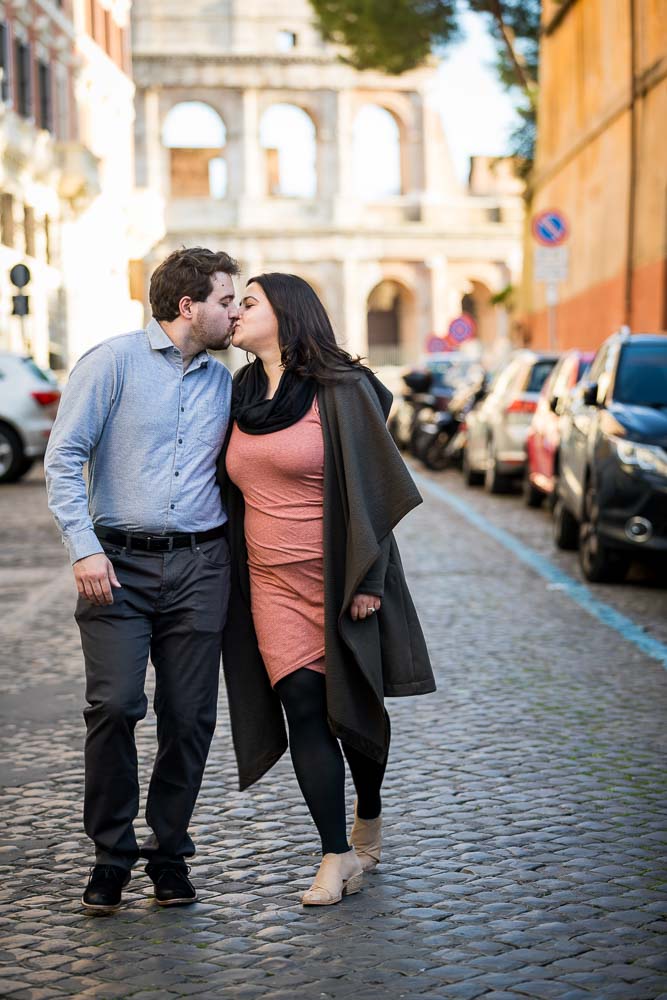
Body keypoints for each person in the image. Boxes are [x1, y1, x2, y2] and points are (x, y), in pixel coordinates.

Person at [219, 273, 435, 906]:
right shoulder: (241, 391)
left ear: (286, 314)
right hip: (269, 582)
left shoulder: (340, 391)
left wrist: (368, 579)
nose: (235, 312)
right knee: (304, 706)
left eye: (248, 303)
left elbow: (373, 485)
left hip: (340, 579)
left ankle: (368, 808)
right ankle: (335, 855)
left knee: (357, 714)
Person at [45, 247, 240, 913]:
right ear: (189, 307)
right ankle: (110, 855)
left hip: (200, 565)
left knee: (189, 718)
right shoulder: (111, 363)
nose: (235, 312)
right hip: (115, 566)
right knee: (115, 705)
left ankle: (169, 854)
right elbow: (64, 455)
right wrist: (83, 548)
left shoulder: (226, 381)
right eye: (225, 300)